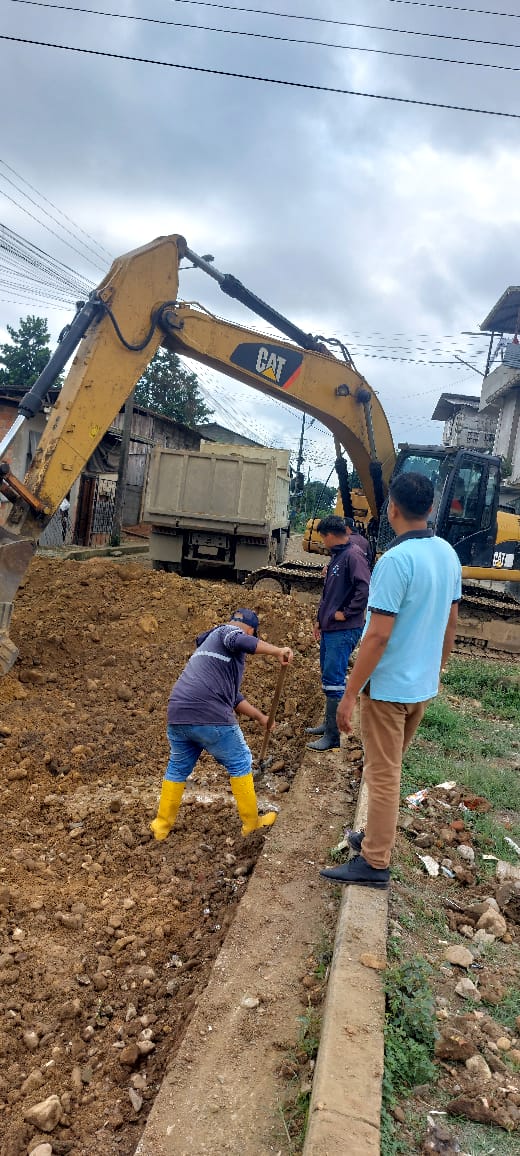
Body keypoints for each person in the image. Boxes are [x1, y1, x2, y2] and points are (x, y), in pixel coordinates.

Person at [320, 472, 461, 890]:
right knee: (388, 769)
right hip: (419, 688)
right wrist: (436, 671)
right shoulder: (447, 554)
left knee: (383, 776)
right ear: (431, 508)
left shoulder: (395, 561)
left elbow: (378, 636)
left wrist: (349, 694)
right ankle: (374, 838)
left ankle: (375, 862)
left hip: (389, 691)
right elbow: (451, 624)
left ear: (392, 508)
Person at [150, 608, 294, 841]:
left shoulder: (209, 652)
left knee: (177, 768)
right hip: (209, 712)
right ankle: (252, 824)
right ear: (251, 631)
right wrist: (277, 650)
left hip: (178, 714)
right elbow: (238, 639)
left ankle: (161, 826)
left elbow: (233, 698)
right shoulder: (227, 633)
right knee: (240, 761)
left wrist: (260, 717)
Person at [305, 514, 371, 752]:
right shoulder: (338, 556)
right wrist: (320, 621)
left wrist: (347, 613)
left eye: (324, 537)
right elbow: (329, 594)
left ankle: (333, 737)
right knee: (328, 675)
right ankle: (328, 724)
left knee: (334, 678)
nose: (323, 542)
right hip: (331, 627)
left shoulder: (353, 556)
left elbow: (364, 588)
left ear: (331, 535)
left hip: (343, 629)